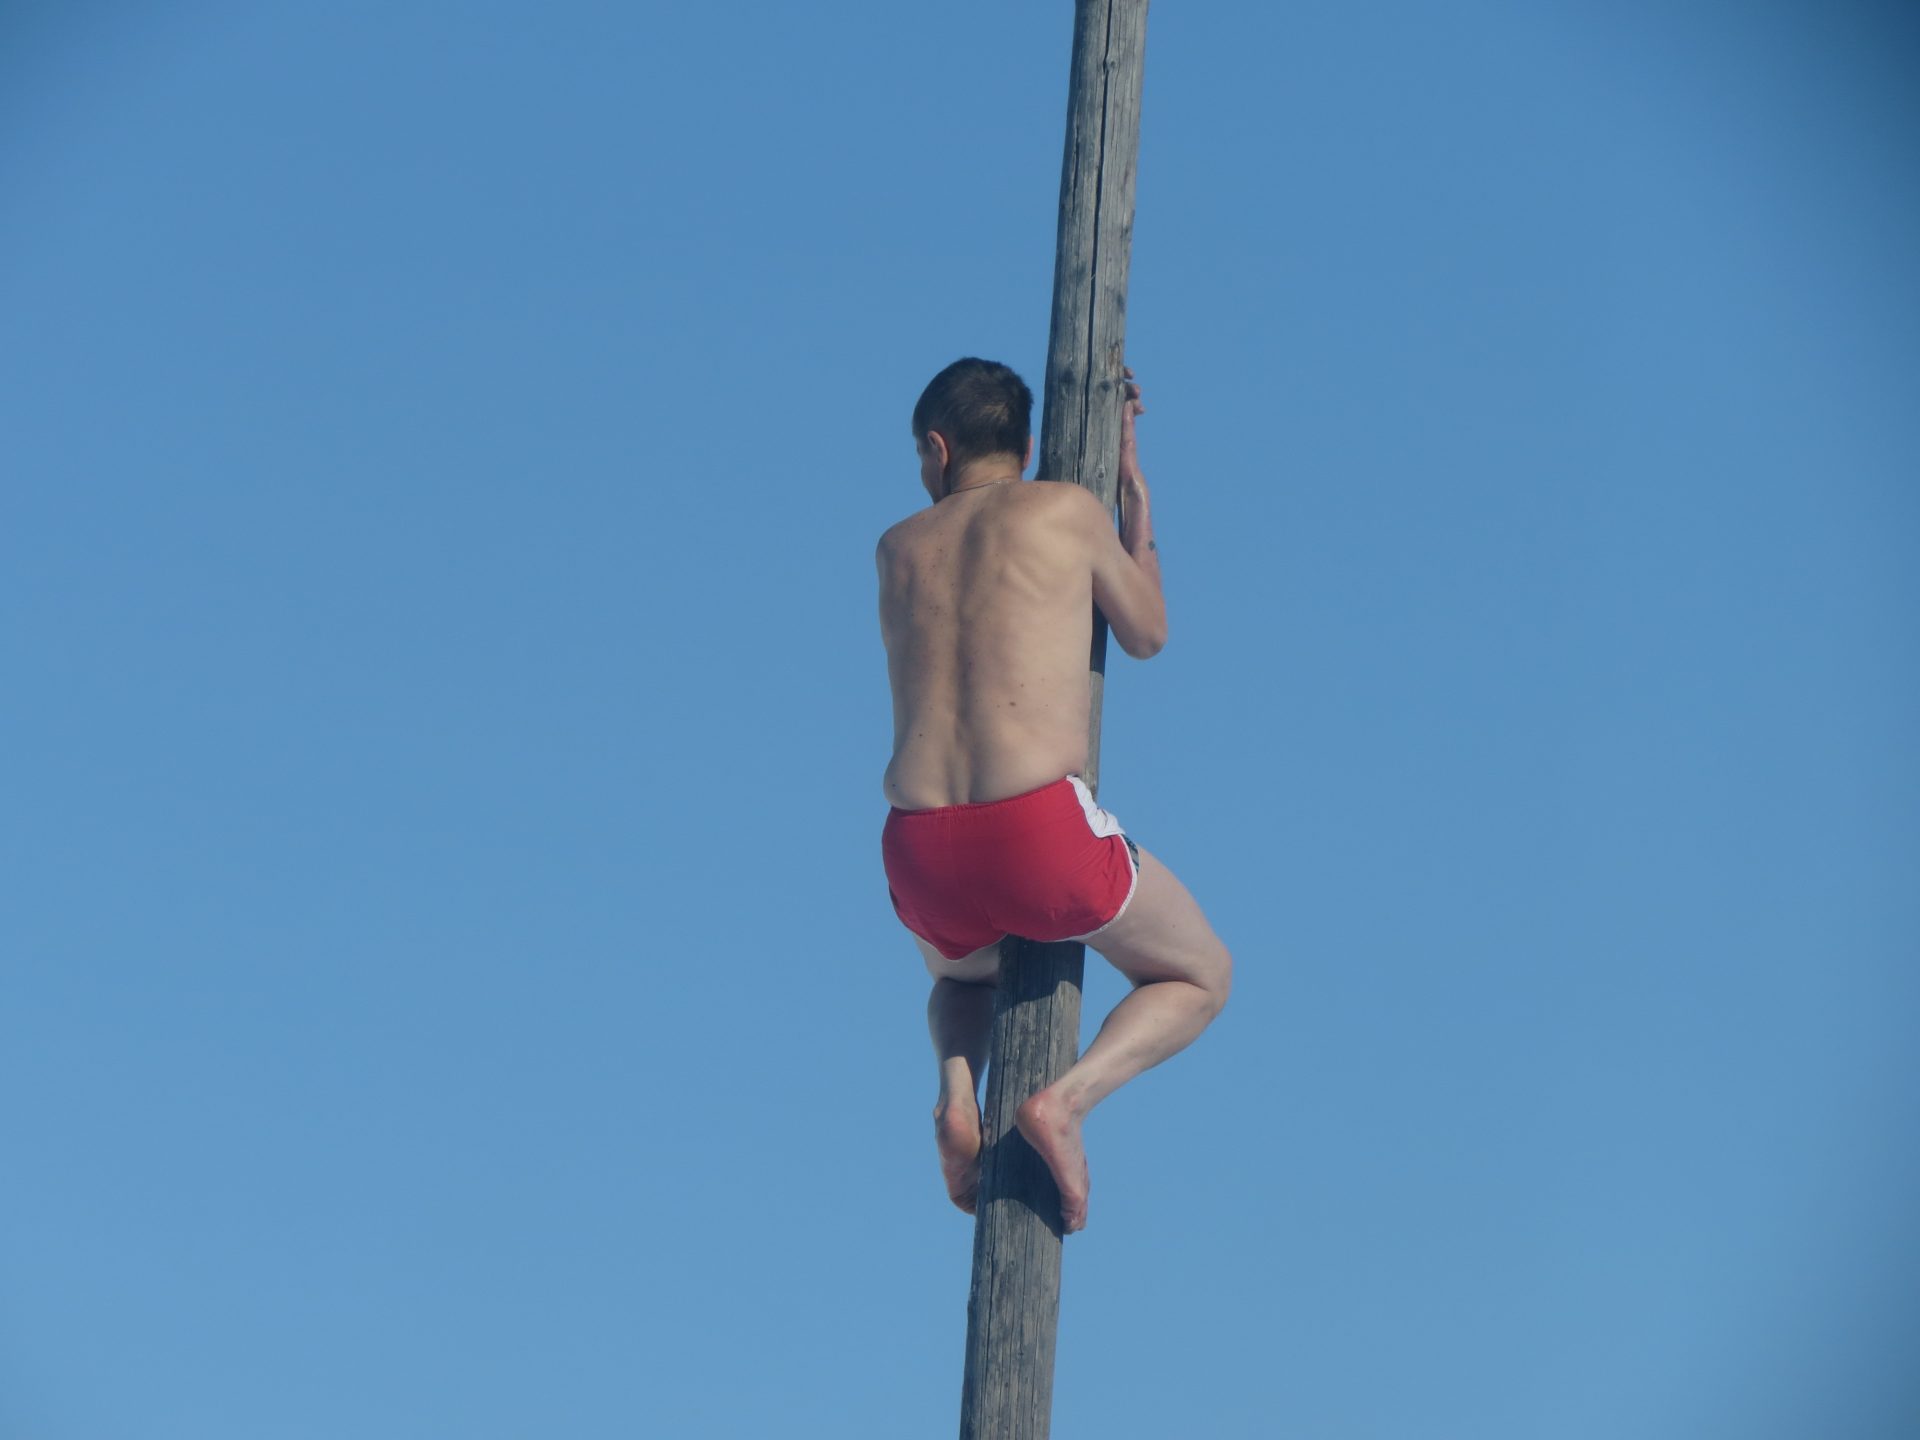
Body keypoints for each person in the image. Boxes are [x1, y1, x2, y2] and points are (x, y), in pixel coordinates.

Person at [876, 356, 1231, 1233]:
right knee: (1199, 974)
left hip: (917, 844)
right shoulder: (1067, 512)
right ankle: (1065, 1101)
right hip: (1033, 829)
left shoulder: (896, 548)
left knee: (962, 977)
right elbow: (1146, 633)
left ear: (938, 449)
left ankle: (957, 1089)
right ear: (1028, 447)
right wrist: (1134, 499)